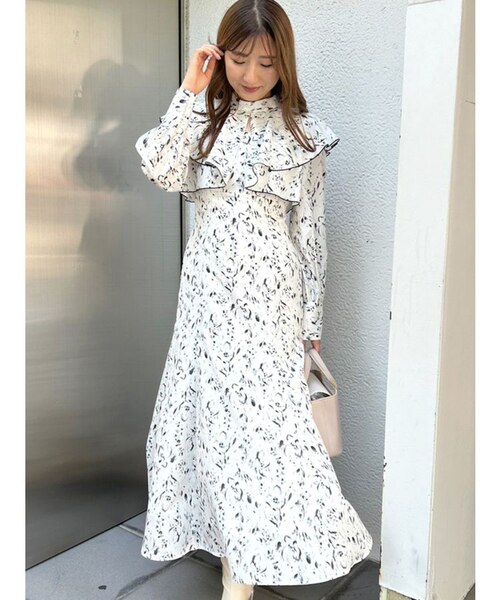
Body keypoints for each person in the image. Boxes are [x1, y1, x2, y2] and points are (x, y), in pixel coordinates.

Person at [135, 1, 373, 598]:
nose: (251, 75)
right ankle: (234, 570)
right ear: (221, 57)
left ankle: (243, 577)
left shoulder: (303, 136)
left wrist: (311, 325)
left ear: (284, 63)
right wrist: (190, 91)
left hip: (273, 307)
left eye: (266, 63)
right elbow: (160, 169)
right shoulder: (202, 124)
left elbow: (311, 235)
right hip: (207, 304)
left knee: (265, 437)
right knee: (214, 429)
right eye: (239, 59)